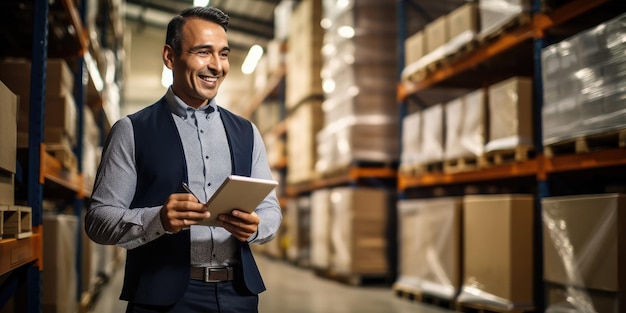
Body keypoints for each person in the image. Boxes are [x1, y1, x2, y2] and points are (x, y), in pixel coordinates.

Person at [85, 6, 282, 313]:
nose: (216, 66)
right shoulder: (132, 130)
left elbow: (270, 211)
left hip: (238, 296)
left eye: (224, 54)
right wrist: (158, 219)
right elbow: (98, 220)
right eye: (203, 52)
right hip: (162, 298)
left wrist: (255, 227)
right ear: (169, 57)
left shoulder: (247, 133)